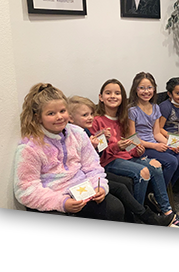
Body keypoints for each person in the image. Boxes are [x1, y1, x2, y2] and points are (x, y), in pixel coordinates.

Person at [16, 83, 123, 250]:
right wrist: (62, 202)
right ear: (38, 117)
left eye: (62, 111)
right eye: (51, 113)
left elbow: (92, 166)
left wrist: (99, 186)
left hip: (80, 190)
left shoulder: (77, 133)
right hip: (52, 197)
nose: (59, 117)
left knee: (115, 209)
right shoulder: (30, 147)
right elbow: (26, 189)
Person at [67, 95, 173, 228]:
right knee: (138, 175)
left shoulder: (123, 118)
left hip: (124, 157)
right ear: (101, 97)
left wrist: (136, 150)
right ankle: (142, 217)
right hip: (107, 162)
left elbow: (130, 142)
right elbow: (100, 157)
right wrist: (105, 144)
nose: (89, 117)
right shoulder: (95, 124)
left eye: (91, 114)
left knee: (157, 167)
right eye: (85, 115)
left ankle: (161, 209)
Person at [127, 73, 179, 193]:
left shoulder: (155, 107)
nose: (146, 91)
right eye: (142, 88)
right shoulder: (132, 110)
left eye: (149, 87)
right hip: (141, 147)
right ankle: (157, 194)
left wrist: (171, 144)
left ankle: (161, 191)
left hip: (154, 143)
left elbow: (156, 134)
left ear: (154, 89)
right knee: (171, 161)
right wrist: (155, 146)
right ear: (135, 89)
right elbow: (132, 139)